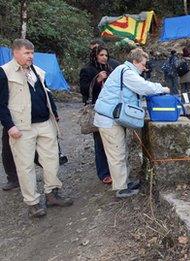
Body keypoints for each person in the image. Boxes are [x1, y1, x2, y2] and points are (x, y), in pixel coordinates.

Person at [0, 39, 73, 218]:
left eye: (32, 53)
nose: (31, 56)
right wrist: (9, 126)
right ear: (15, 53)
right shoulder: (5, 73)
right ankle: (32, 203)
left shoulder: (37, 71)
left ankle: (52, 194)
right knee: (25, 167)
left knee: (51, 160)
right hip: (22, 127)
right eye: (27, 53)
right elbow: (1, 104)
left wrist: (54, 114)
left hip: (44, 123)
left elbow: (46, 94)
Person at [93, 48, 170, 198]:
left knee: (120, 151)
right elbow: (144, 87)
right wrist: (163, 89)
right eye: (143, 64)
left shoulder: (125, 71)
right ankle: (120, 189)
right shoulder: (127, 72)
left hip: (112, 116)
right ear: (135, 62)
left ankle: (123, 182)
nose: (144, 67)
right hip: (108, 118)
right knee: (117, 153)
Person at [79, 45, 113, 184]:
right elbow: (83, 90)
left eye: (106, 55)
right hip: (97, 110)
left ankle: (114, 169)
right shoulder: (87, 70)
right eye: (101, 55)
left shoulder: (109, 69)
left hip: (110, 108)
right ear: (95, 55)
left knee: (112, 140)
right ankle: (103, 172)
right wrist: (97, 80)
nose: (104, 57)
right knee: (99, 142)